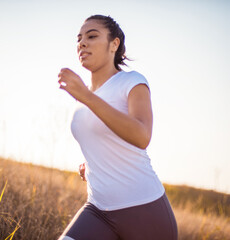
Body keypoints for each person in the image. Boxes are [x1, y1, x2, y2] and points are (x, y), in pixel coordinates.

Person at [57, 15, 178, 240]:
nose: (82, 43)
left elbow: (142, 136)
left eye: (92, 36)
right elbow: (102, 138)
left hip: (144, 209)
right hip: (97, 209)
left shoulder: (132, 82)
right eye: (79, 39)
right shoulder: (83, 98)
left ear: (114, 44)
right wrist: (94, 163)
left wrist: (85, 96)